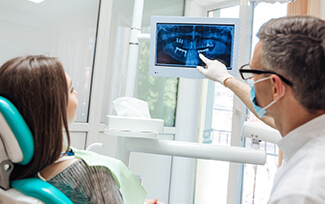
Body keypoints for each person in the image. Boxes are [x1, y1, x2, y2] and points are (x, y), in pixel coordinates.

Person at [197, 15, 325, 203]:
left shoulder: (299, 191)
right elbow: (271, 115)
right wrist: (225, 78)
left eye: (252, 72)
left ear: (275, 87)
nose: (251, 82)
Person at [0, 55, 162, 204]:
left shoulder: (13, 174)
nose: (76, 93)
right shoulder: (91, 176)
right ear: (50, 109)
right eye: (71, 90)